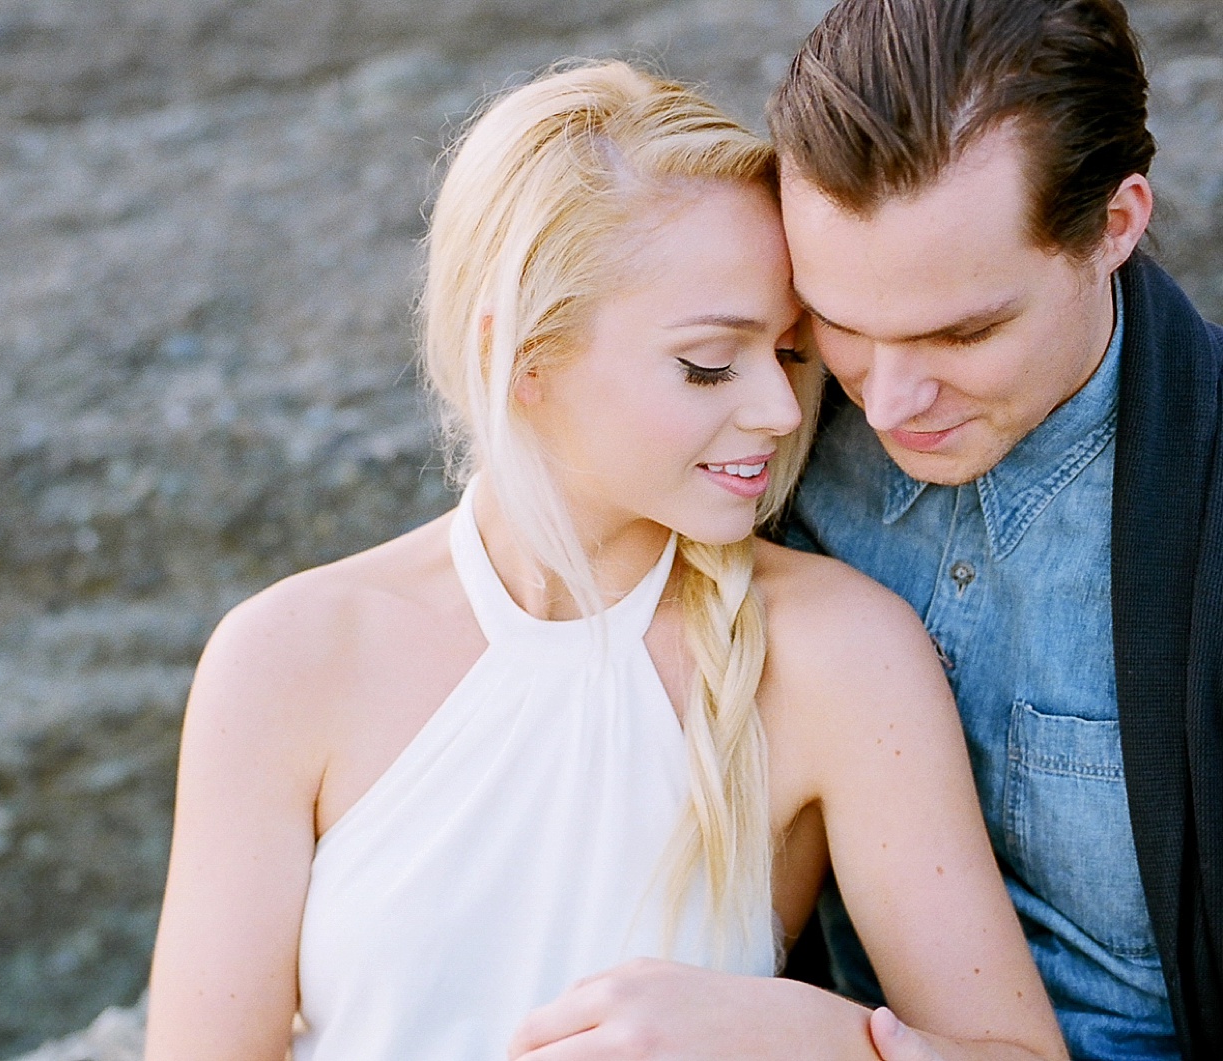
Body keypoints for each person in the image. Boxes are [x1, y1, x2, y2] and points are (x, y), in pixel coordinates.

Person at [142, 60, 1065, 1061]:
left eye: (790, 351)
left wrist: (818, 1035)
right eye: (709, 360)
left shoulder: (837, 653)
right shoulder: (288, 655)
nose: (779, 408)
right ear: (523, 357)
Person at [510, 2, 1223, 1059]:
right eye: (837, 319)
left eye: (963, 331)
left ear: (1114, 225)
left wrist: (836, 1041)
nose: (887, 399)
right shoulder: (760, 433)